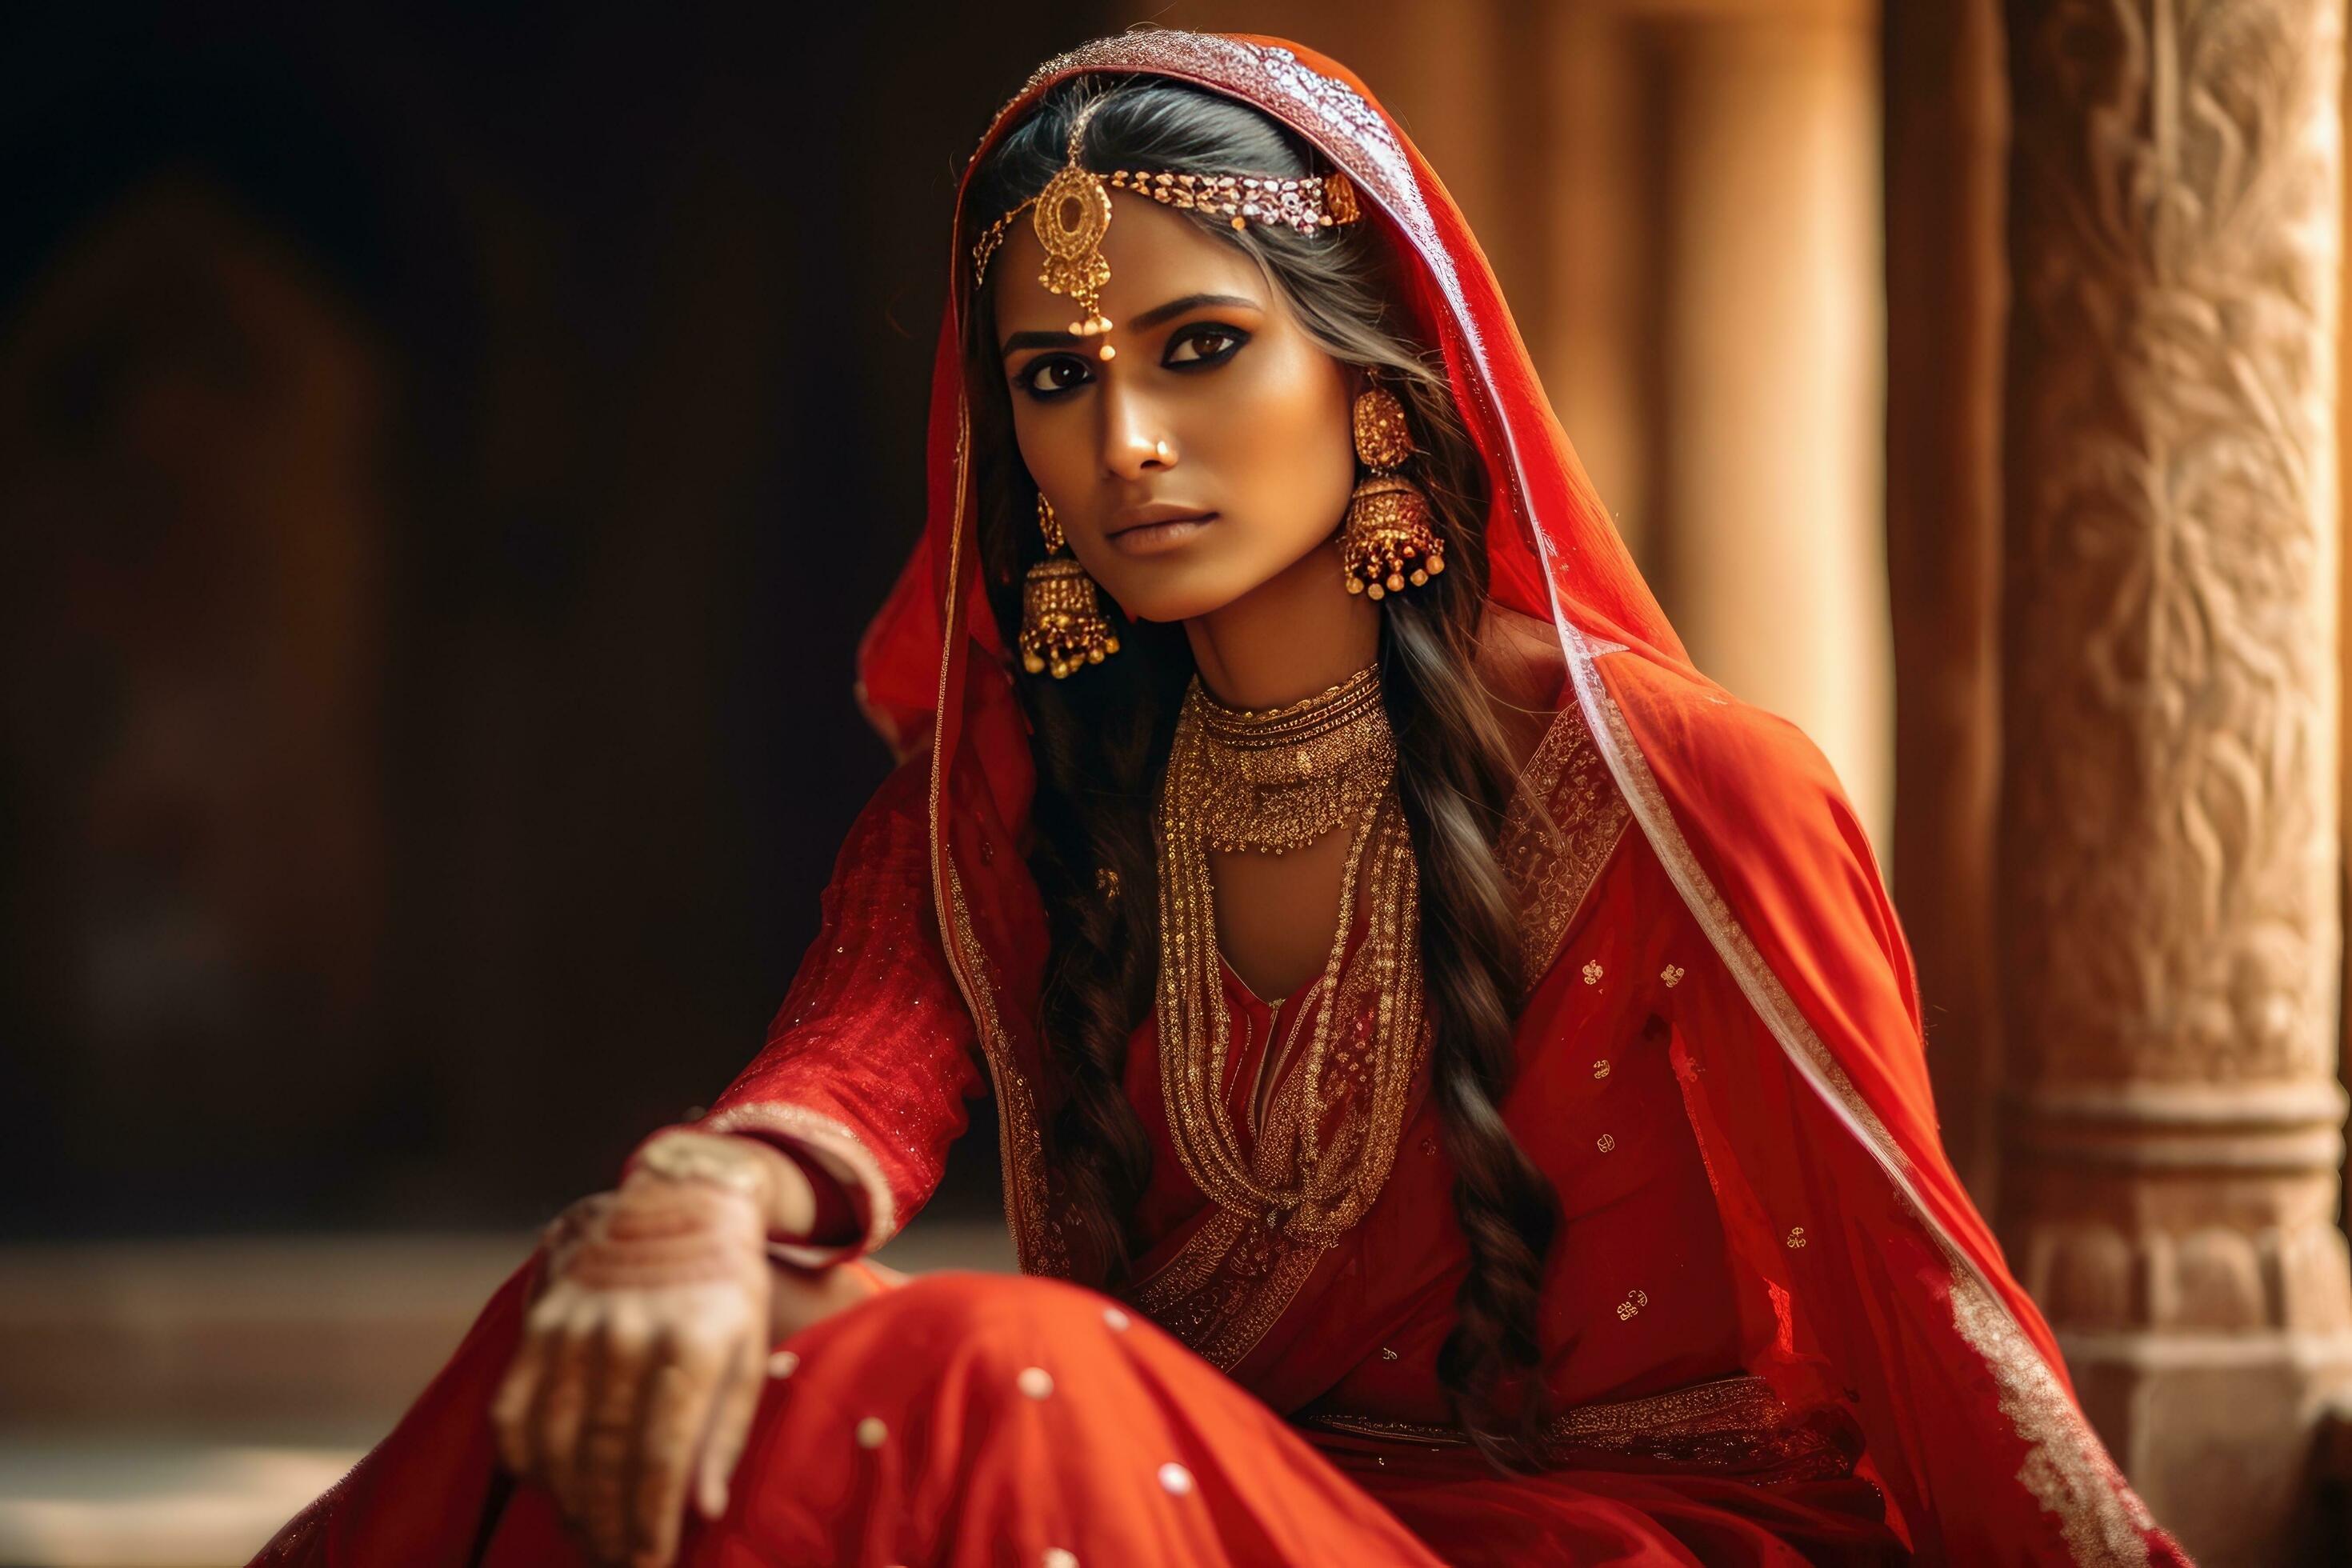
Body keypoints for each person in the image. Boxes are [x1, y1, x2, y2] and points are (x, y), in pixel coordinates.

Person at [253, 30, 2190, 1568]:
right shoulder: (1034, 791)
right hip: (1195, 1507)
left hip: (1624, 1535)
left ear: (1374, 378)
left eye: (1198, 349)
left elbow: (1922, 1295)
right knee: (628, 1307)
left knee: (985, 1374)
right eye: (1053, 376)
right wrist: (701, 1198)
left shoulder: (1686, 787)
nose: (1125, 443)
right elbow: (852, 1062)